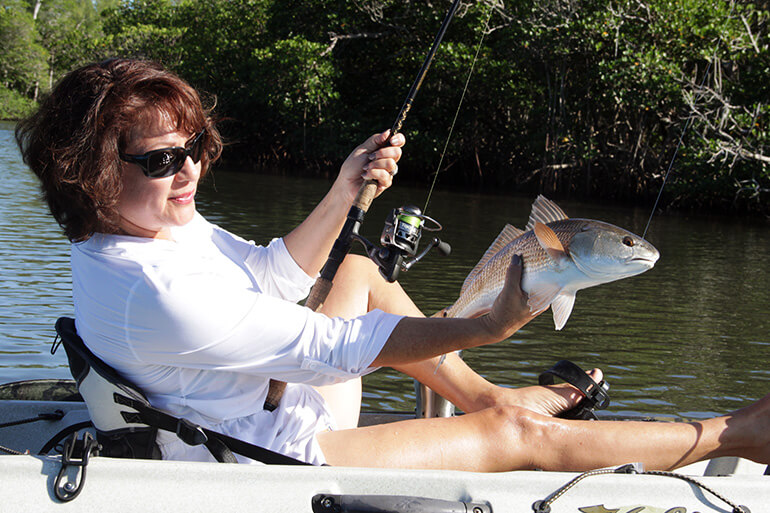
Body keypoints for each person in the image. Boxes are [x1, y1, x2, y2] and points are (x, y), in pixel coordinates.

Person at [16, 58, 770, 471]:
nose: (191, 172)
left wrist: (346, 189)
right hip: (265, 456)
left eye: (199, 148)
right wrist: (482, 323)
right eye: (163, 158)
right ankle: (733, 431)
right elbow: (332, 350)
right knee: (512, 436)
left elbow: (273, 274)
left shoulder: (142, 226)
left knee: (362, 271)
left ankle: (485, 396)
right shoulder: (151, 287)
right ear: (87, 170)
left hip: (268, 402)